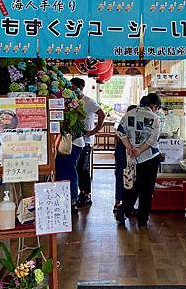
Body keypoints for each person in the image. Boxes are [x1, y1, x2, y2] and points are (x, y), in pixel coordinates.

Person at [116, 93, 162, 227]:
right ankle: (142, 219)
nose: (156, 110)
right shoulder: (154, 118)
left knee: (132, 186)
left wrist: (130, 148)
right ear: (153, 105)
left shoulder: (129, 114)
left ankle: (124, 211)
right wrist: (140, 150)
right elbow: (153, 139)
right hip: (149, 158)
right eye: (157, 107)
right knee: (147, 190)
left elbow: (120, 132)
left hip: (131, 158)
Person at [70, 77, 106, 208]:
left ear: (80, 88)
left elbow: (102, 115)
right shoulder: (71, 101)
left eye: (73, 88)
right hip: (73, 141)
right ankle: (79, 193)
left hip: (85, 142)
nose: (71, 90)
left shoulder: (89, 101)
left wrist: (94, 131)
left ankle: (86, 195)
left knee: (83, 169)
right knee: (75, 168)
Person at [113, 105, 137, 214]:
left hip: (122, 155)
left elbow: (120, 135)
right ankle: (128, 205)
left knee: (120, 178)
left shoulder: (123, 122)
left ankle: (118, 203)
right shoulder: (137, 122)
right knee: (130, 179)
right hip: (130, 155)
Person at [55, 133, 84, 213]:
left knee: (68, 172)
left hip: (70, 143)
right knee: (69, 171)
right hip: (71, 142)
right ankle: (71, 200)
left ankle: (72, 201)